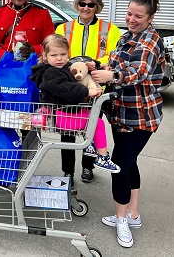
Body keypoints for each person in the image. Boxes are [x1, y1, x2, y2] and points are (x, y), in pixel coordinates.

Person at [91, 0, 165, 248]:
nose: (132, 19)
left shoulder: (151, 40)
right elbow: (114, 64)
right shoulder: (127, 37)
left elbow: (139, 71)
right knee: (129, 163)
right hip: (120, 113)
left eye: (138, 16)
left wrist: (111, 77)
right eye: (129, 14)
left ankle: (121, 220)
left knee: (119, 166)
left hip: (140, 117)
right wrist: (98, 69)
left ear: (150, 17)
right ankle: (133, 214)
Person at [56, 0, 122, 184]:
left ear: (97, 7)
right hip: (68, 87)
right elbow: (56, 52)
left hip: (96, 88)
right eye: (82, 4)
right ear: (77, 5)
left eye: (91, 4)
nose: (86, 8)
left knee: (92, 128)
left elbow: (114, 55)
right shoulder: (63, 29)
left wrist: (95, 62)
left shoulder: (110, 29)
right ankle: (67, 171)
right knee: (66, 131)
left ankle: (88, 167)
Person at [30, 34, 120, 177]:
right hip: (63, 116)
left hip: (66, 113)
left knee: (93, 122)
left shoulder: (62, 67)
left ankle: (91, 147)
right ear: (45, 56)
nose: (59, 58)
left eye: (63, 54)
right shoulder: (50, 72)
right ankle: (102, 157)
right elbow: (64, 88)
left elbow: (76, 75)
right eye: (54, 55)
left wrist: (88, 69)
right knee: (97, 124)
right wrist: (87, 91)